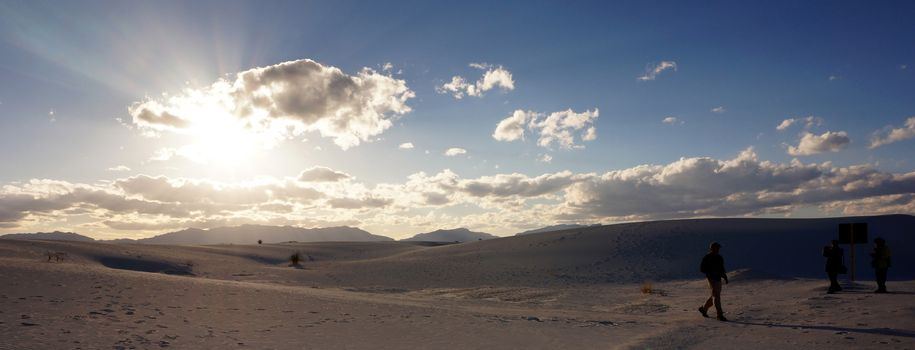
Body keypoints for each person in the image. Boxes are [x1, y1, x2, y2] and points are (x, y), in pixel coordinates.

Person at [698, 242, 728, 321]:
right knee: (716, 296)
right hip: (711, 279)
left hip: (718, 279)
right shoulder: (707, 257)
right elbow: (702, 269)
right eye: (716, 248)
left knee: (714, 295)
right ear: (711, 248)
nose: (718, 249)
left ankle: (703, 309)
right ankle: (719, 315)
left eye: (718, 248)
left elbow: (722, 269)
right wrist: (711, 272)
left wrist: (725, 277)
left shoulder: (719, 257)